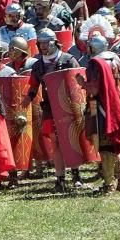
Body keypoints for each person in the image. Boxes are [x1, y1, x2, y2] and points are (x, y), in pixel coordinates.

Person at [24, 29, 80, 191]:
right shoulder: (38, 65)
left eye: (46, 43)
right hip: (49, 108)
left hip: (68, 107)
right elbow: (33, 86)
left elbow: (77, 83)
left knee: (71, 139)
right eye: (40, 43)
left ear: (54, 42)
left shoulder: (68, 60)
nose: (43, 47)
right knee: (56, 141)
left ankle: (76, 173)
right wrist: (27, 99)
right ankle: (60, 178)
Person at [85, 55, 120, 194]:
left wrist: (82, 83)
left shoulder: (96, 65)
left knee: (106, 149)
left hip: (102, 110)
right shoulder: (115, 59)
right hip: (113, 105)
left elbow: (95, 90)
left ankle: (109, 185)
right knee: (114, 146)